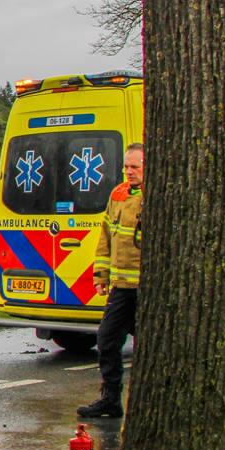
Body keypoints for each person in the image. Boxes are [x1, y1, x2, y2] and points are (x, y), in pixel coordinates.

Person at [80, 143, 144, 419]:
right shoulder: (118, 195)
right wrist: (101, 275)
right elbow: (106, 236)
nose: (128, 172)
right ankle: (110, 399)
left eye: (135, 167)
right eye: (126, 167)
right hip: (121, 286)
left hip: (145, 287)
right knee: (106, 341)